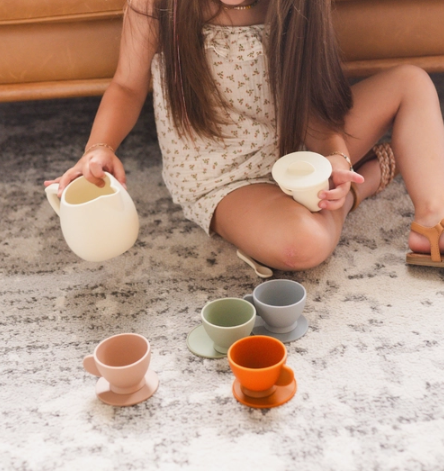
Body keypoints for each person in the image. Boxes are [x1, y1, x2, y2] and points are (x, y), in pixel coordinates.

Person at [44, 0, 444, 270]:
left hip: (297, 143)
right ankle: (368, 180)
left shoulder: (294, 6)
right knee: (302, 246)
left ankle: (432, 221)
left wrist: (336, 158)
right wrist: (98, 148)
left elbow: (314, 109)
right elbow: (127, 87)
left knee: (412, 84)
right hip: (225, 174)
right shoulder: (157, 5)